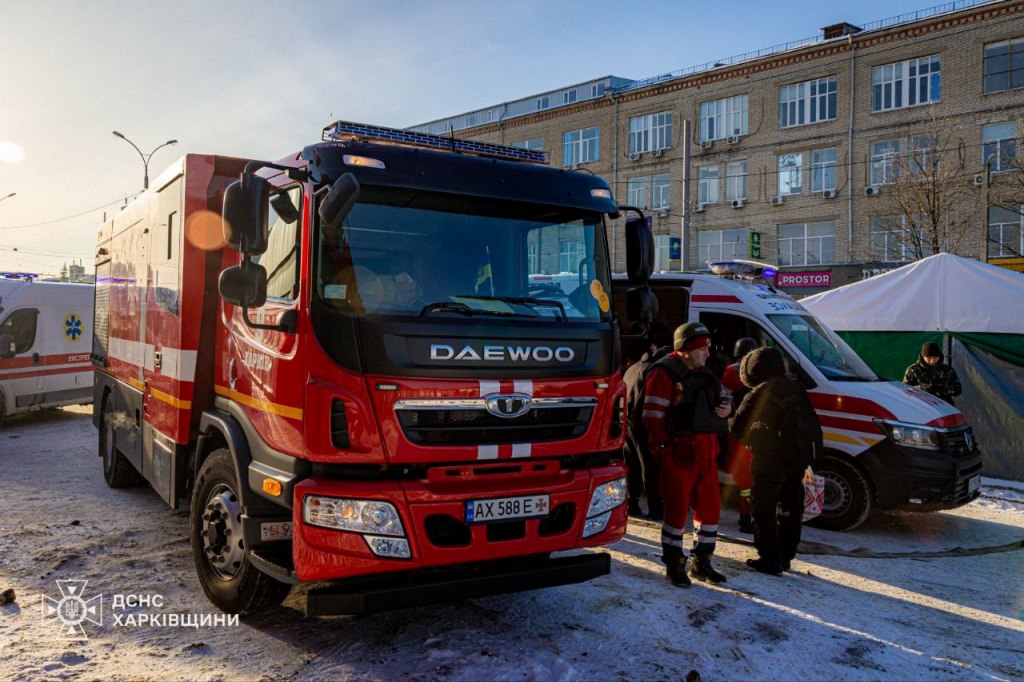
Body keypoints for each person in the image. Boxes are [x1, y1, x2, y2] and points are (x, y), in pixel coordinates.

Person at [641, 322, 731, 587]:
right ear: (686, 349)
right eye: (702, 349)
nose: (707, 353)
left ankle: (702, 562)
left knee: (710, 510)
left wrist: (728, 408)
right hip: (678, 456)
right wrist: (664, 452)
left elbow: (724, 397)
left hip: (706, 455)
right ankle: (674, 564)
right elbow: (652, 417)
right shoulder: (663, 373)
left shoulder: (704, 373)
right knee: (676, 513)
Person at [729, 346, 820, 576]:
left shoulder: (758, 393)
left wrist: (728, 416)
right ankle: (786, 556)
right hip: (797, 458)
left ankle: (770, 558)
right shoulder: (796, 387)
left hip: (769, 458)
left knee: (763, 507)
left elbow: (737, 428)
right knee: (790, 507)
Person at [623, 325, 672, 520]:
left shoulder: (632, 369)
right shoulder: (655, 370)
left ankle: (631, 504)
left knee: (631, 465)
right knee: (650, 468)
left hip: (627, 423)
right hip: (644, 424)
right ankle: (655, 508)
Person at [720, 337, 759, 534]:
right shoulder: (740, 372)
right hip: (746, 432)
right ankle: (747, 518)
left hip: (741, 431)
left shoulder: (734, 371)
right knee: (748, 479)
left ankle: (747, 517)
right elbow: (725, 400)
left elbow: (724, 398)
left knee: (746, 478)